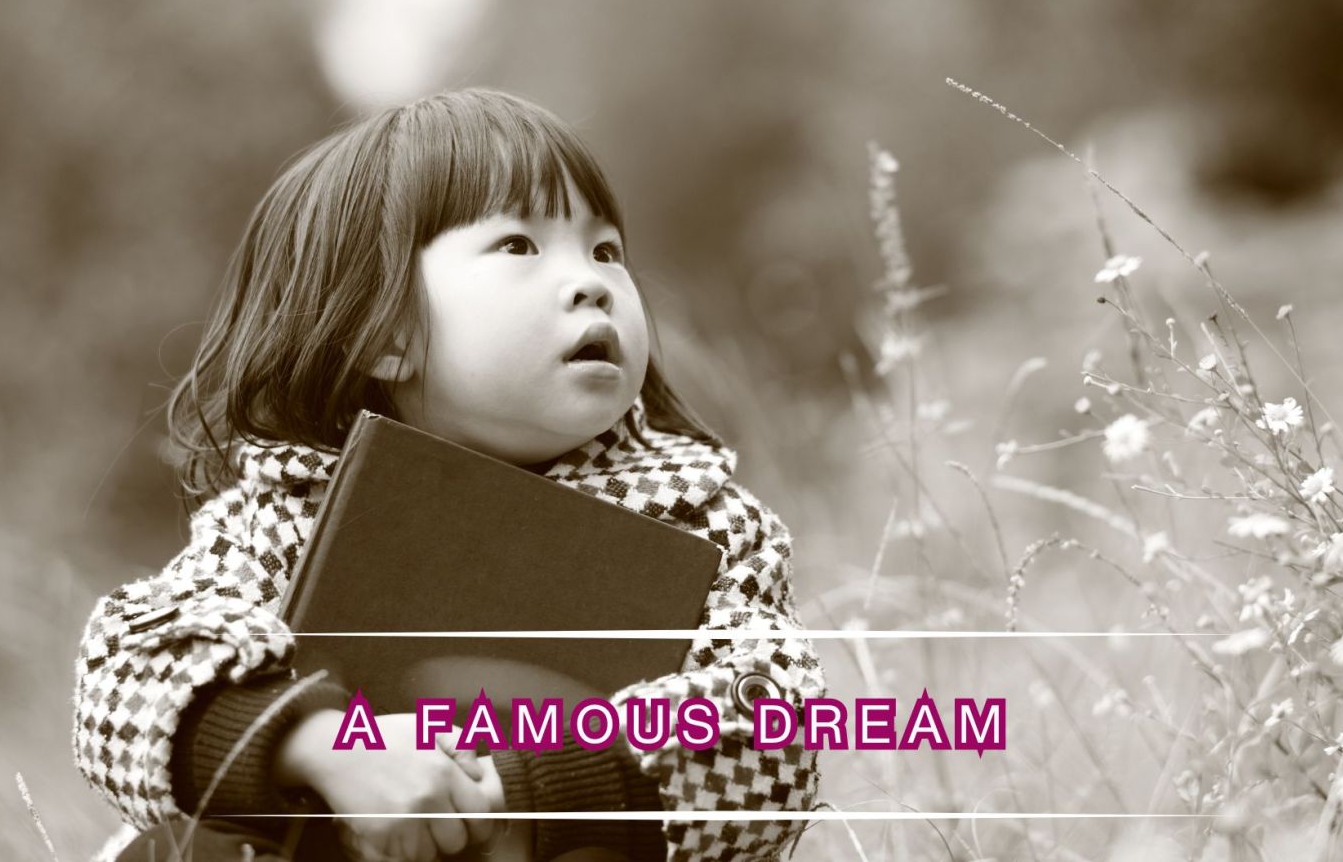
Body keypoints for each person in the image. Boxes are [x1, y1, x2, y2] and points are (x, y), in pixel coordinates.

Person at [71, 88, 825, 862]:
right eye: (519, 247)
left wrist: (525, 784)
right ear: (388, 334)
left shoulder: (702, 519)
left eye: (606, 251)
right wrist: (321, 744)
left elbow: (775, 717)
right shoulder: (289, 511)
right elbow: (129, 671)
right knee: (166, 846)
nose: (591, 282)